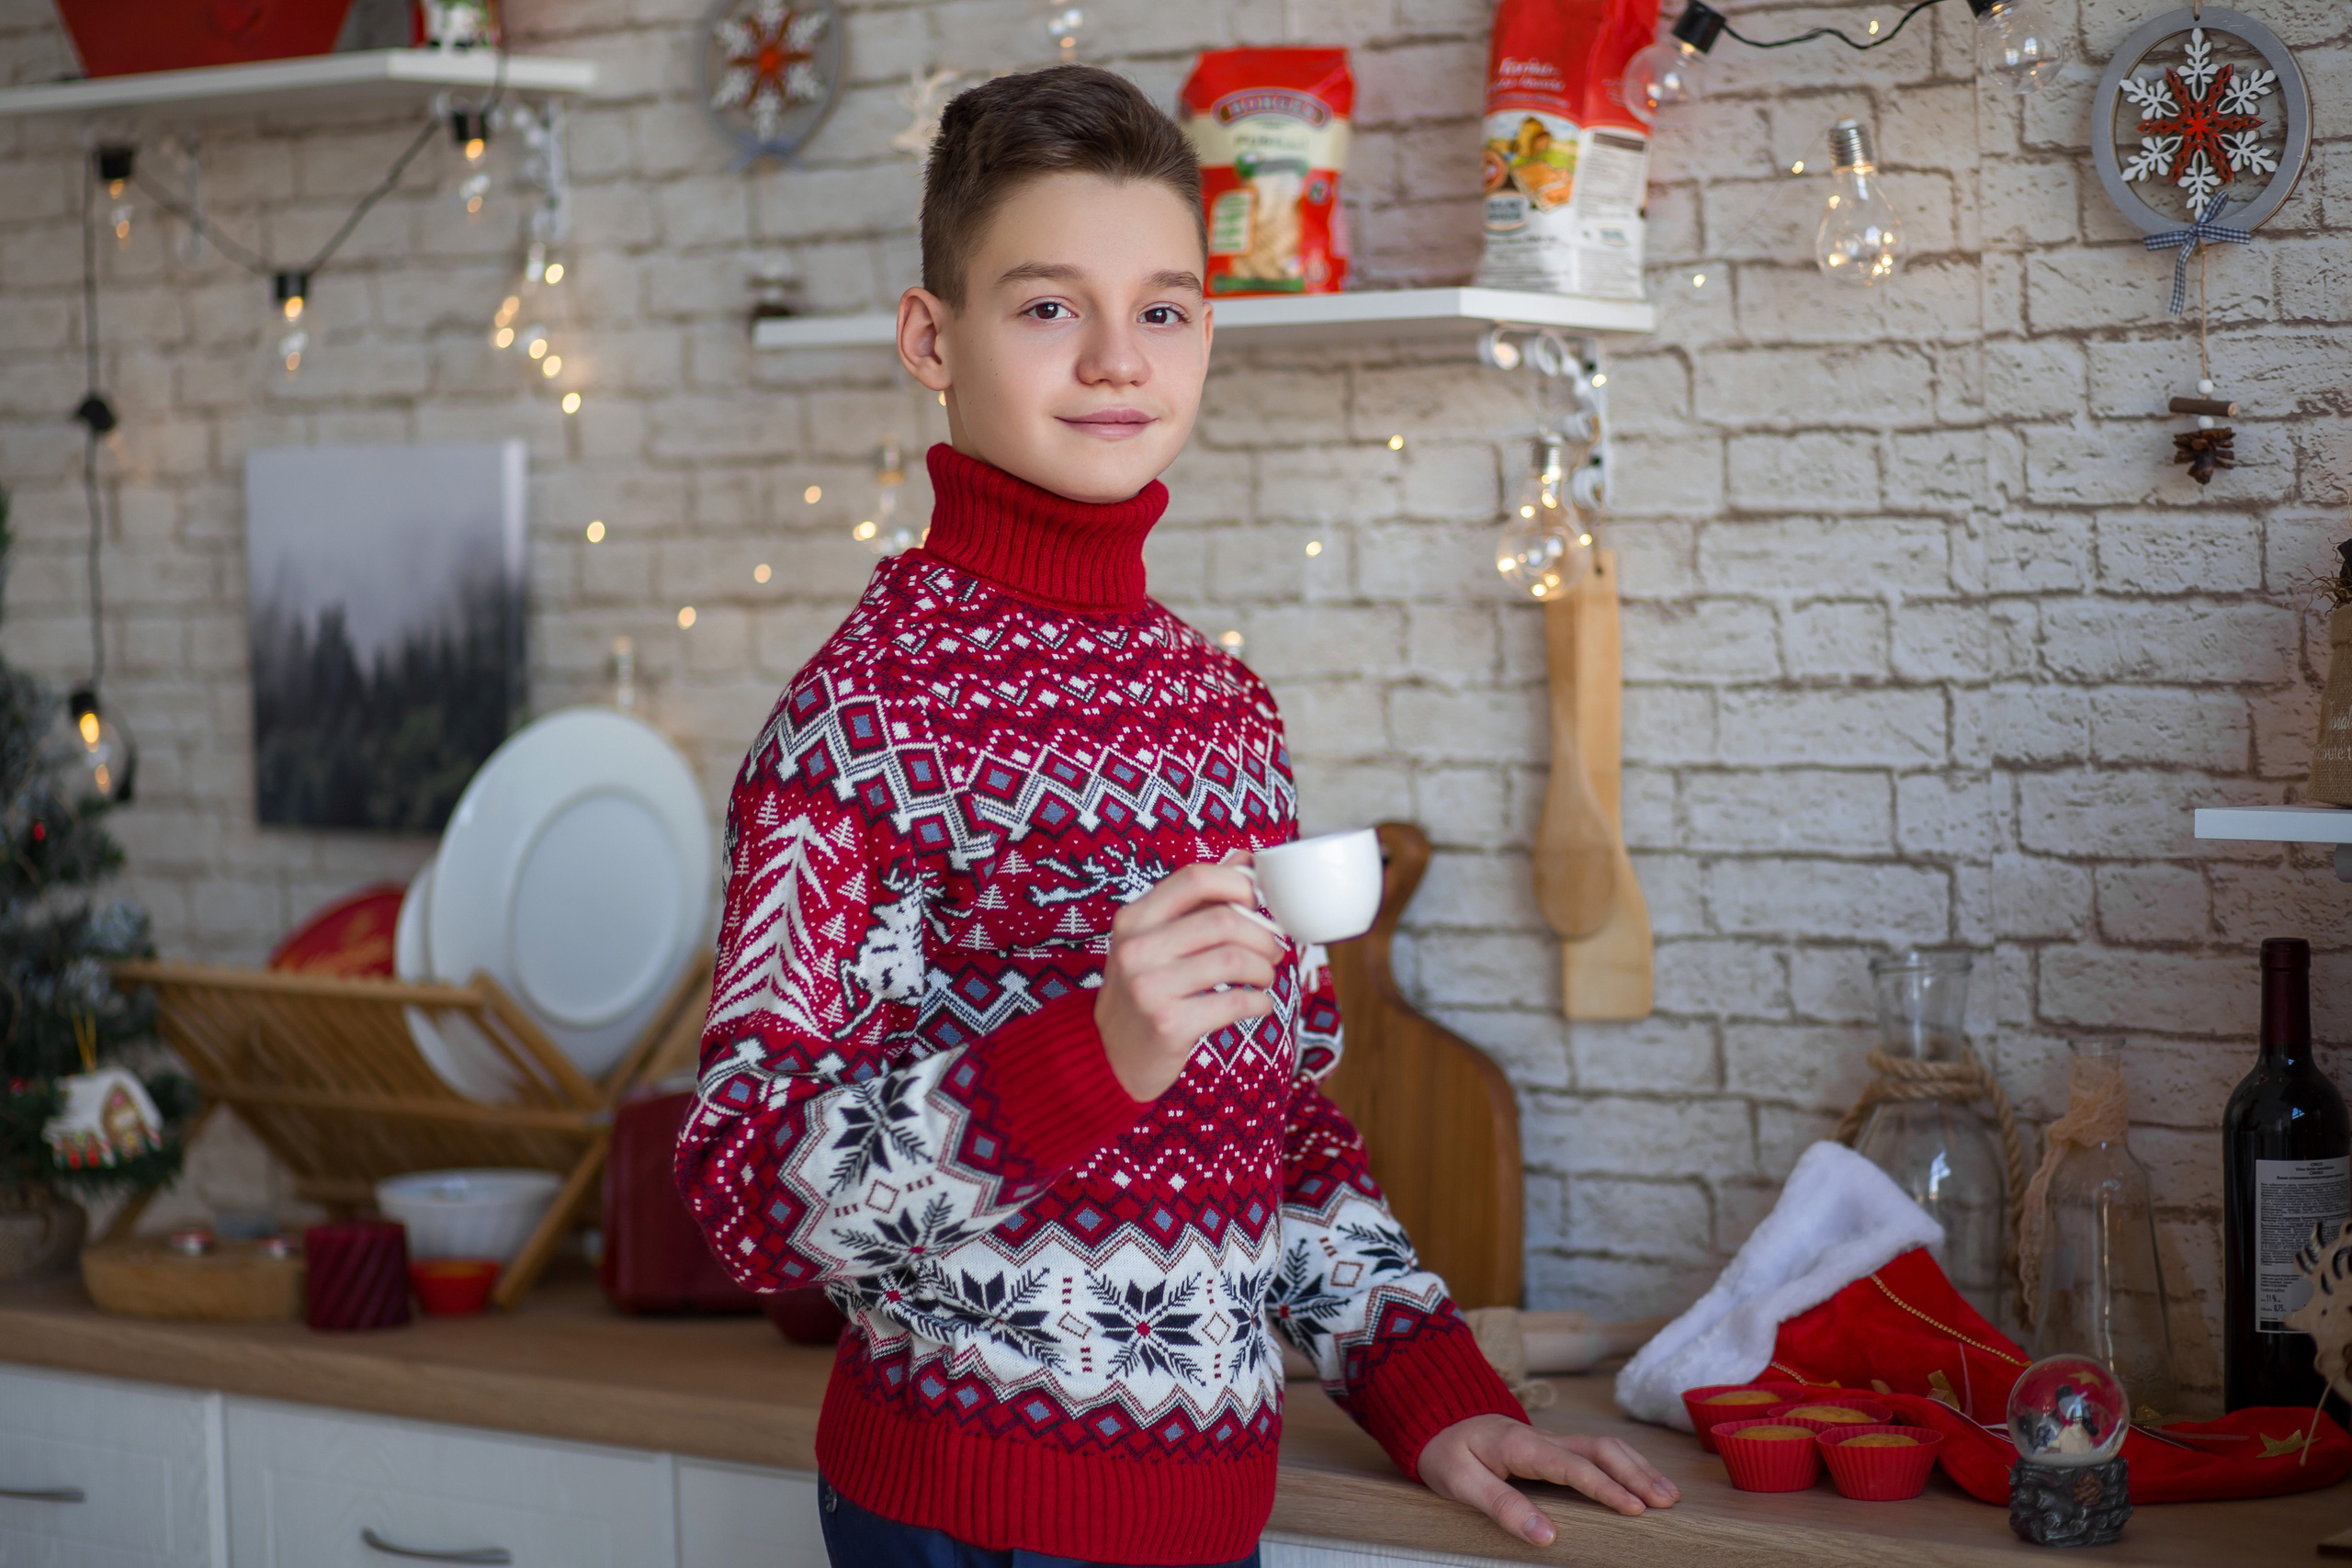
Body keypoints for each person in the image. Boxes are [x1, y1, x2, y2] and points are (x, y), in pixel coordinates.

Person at [675, 63, 1678, 1568]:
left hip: (1206, 1519)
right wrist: (1096, 1054)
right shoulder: (859, 724)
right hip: (967, 1520)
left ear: (1206, 336)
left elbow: (1269, 1128)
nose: (1109, 361)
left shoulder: (1225, 715)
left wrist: (1434, 1394)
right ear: (928, 338)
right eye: (1043, 307)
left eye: (1157, 309)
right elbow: (749, 1189)